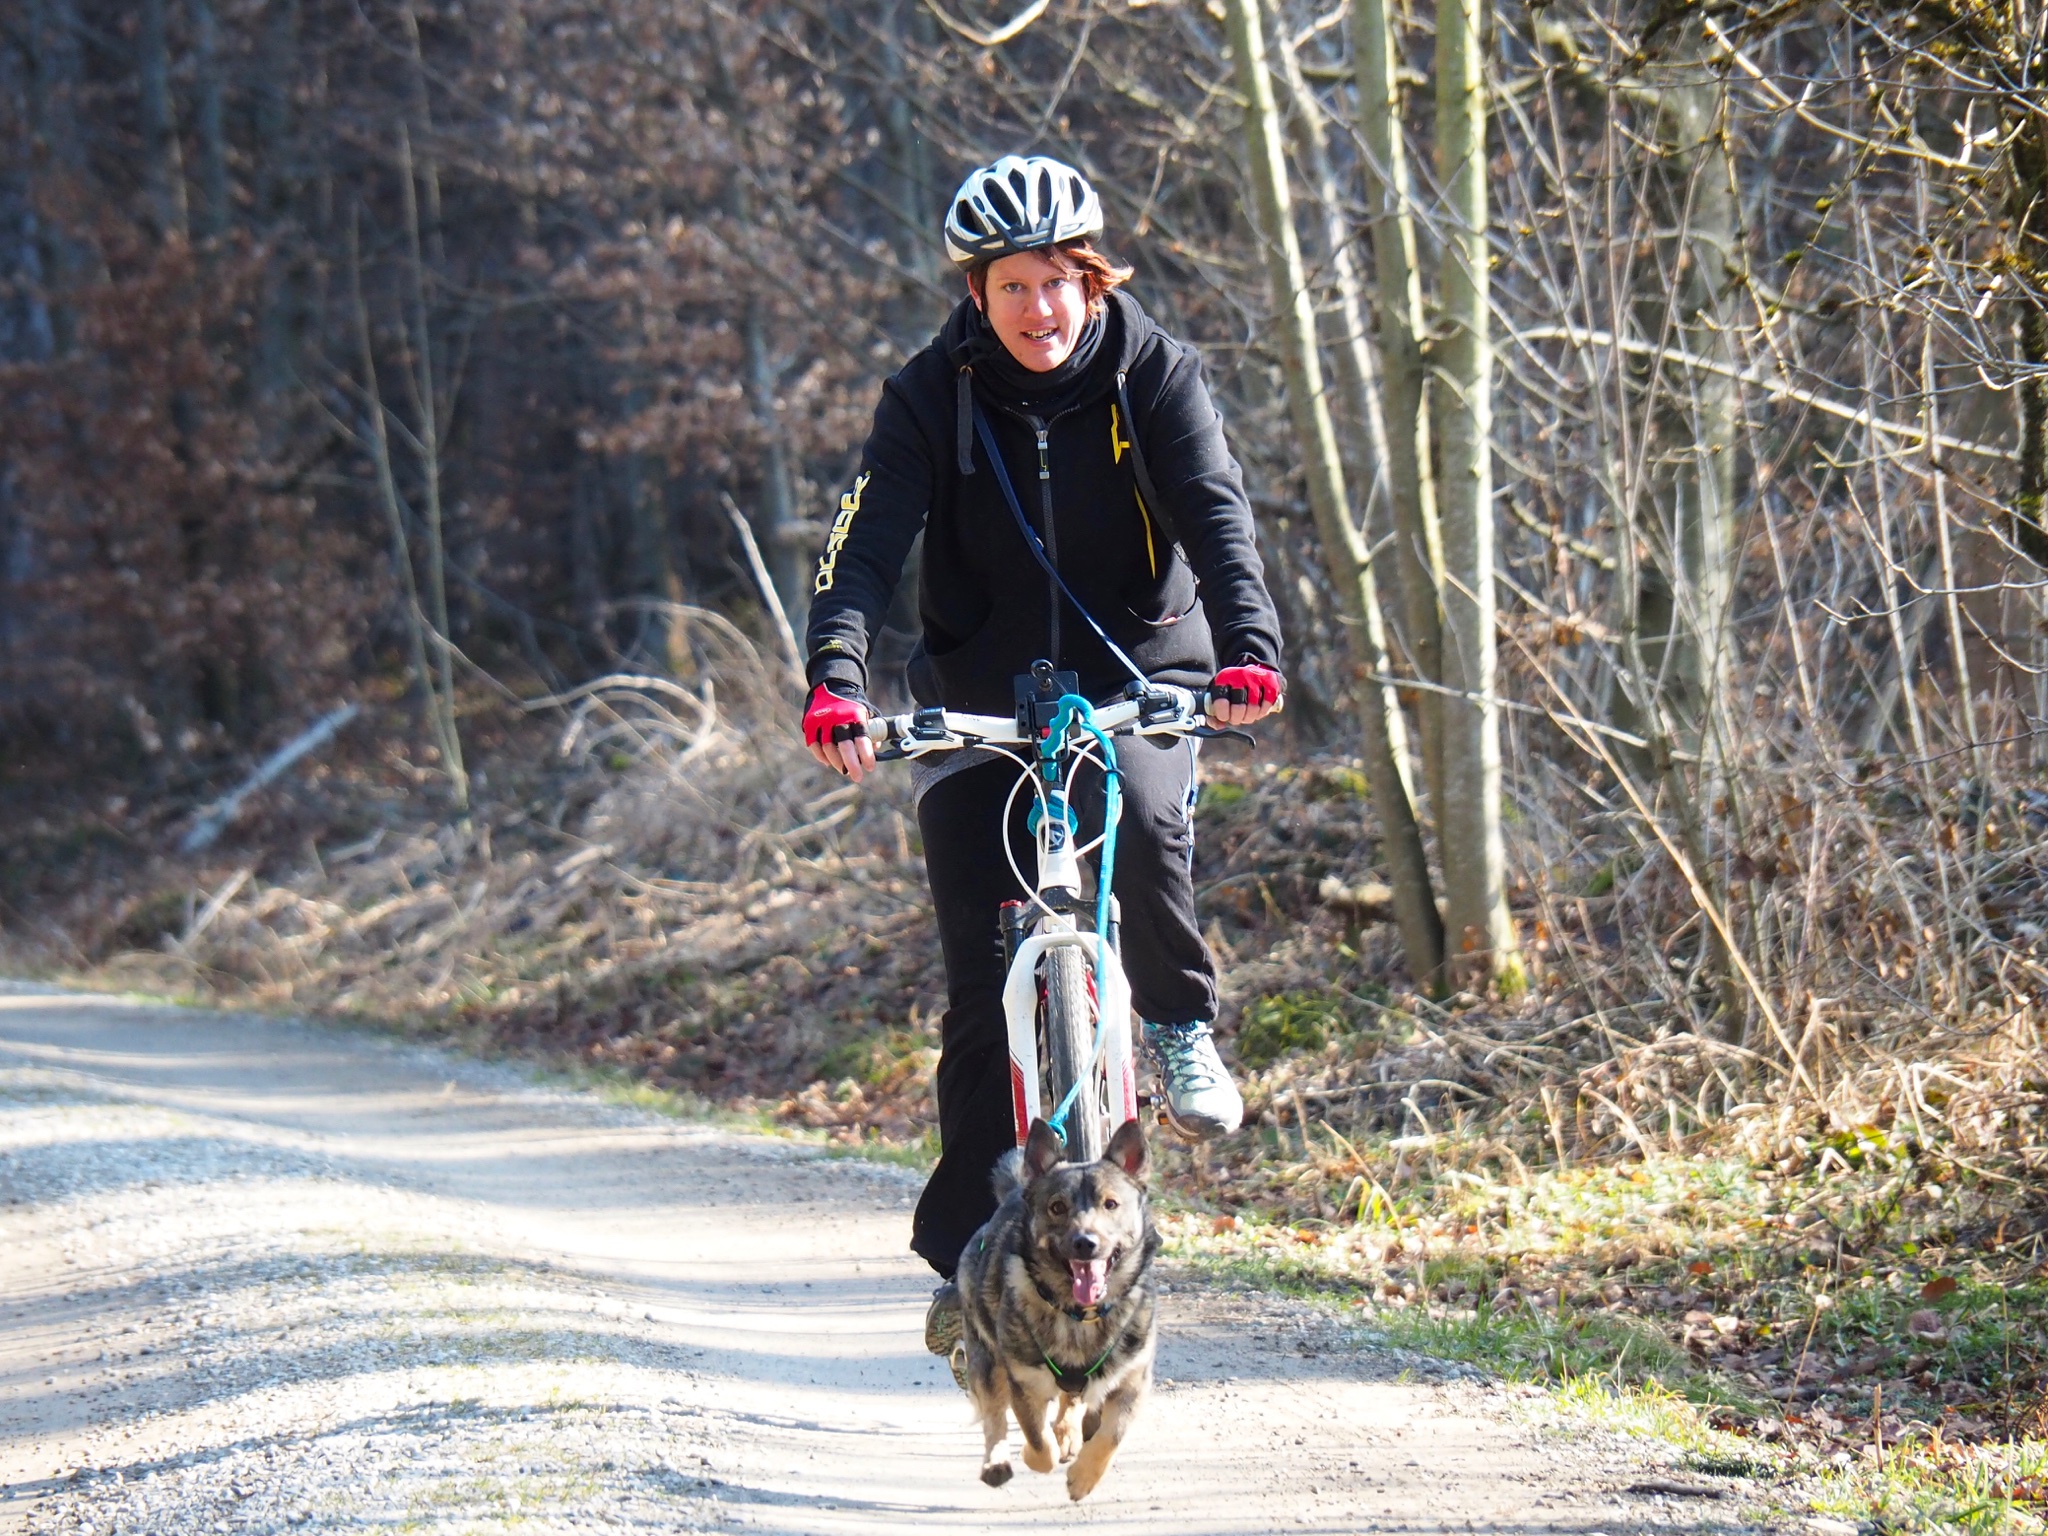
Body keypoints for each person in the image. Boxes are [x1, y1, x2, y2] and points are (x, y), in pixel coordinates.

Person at [797, 154, 1284, 1371]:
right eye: (1010, 286)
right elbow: (863, 547)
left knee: (1148, 830)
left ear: (1091, 279)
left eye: (1056, 282)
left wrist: (1248, 651)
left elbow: (1216, 513)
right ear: (976, 293)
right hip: (978, 700)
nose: (1037, 309)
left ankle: (1176, 1020)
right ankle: (962, 1264)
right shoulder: (929, 396)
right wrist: (836, 677)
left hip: (1140, 674)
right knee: (980, 997)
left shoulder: (1154, 374)